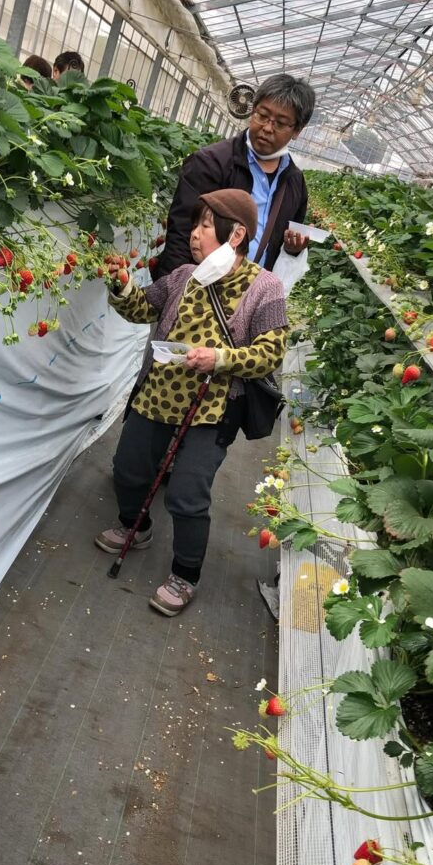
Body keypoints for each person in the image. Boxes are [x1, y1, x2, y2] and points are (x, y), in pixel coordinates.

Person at [95, 189, 287, 617]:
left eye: (205, 225)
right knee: (128, 469)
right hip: (159, 394)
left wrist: (219, 359)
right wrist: (122, 283)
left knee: (187, 494)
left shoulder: (266, 288)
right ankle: (135, 526)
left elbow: (271, 352)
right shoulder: (183, 275)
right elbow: (142, 308)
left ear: (236, 234)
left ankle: (185, 573)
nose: (194, 233)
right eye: (196, 223)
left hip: (212, 409)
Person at [153, 74, 316, 280]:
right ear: (253, 110)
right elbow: (181, 234)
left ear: (297, 130)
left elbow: (282, 243)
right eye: (262, 115)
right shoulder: (211, 163)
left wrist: (293, 249)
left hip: (249, 293)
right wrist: (177, 289)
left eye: (281, 123)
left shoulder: (294, 183)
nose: (267, 128)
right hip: (201, 289)